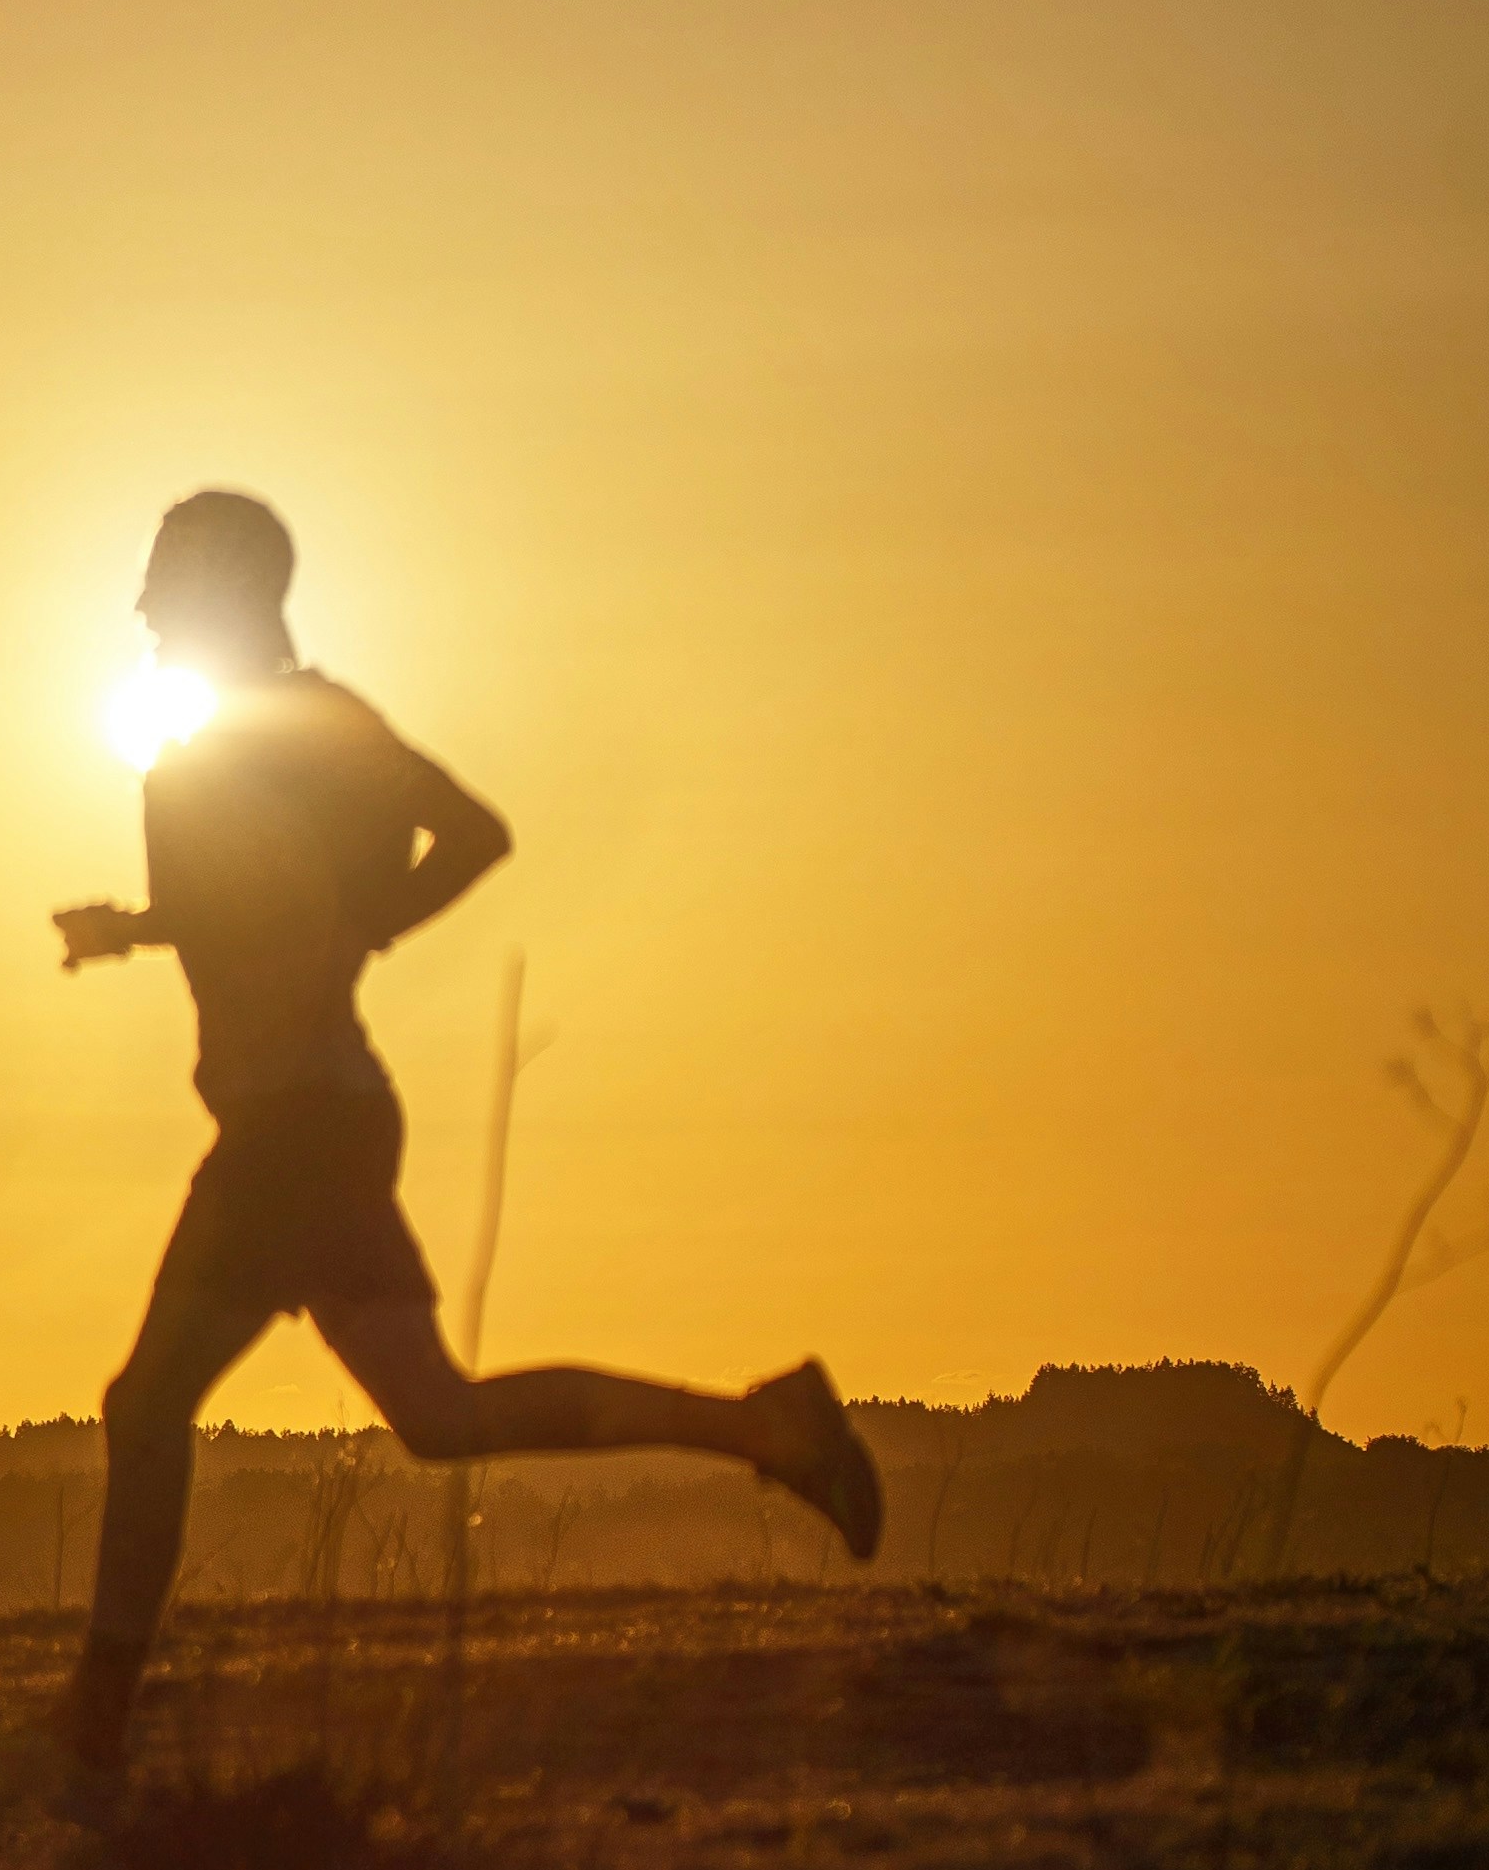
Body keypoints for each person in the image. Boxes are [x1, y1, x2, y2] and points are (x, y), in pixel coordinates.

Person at [49, 487, 881, 1792]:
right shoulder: (277, 735)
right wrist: (156, 931)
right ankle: (770, 1433)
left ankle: (91, 1724)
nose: (143, 604)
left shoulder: (255, 743)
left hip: (296, 1129)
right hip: (318, 1118)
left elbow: (408, 865)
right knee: (434, 1416)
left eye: (162, 578)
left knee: (145, 1405)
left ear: (217, 593)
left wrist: (351, 920)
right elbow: (289, 902)